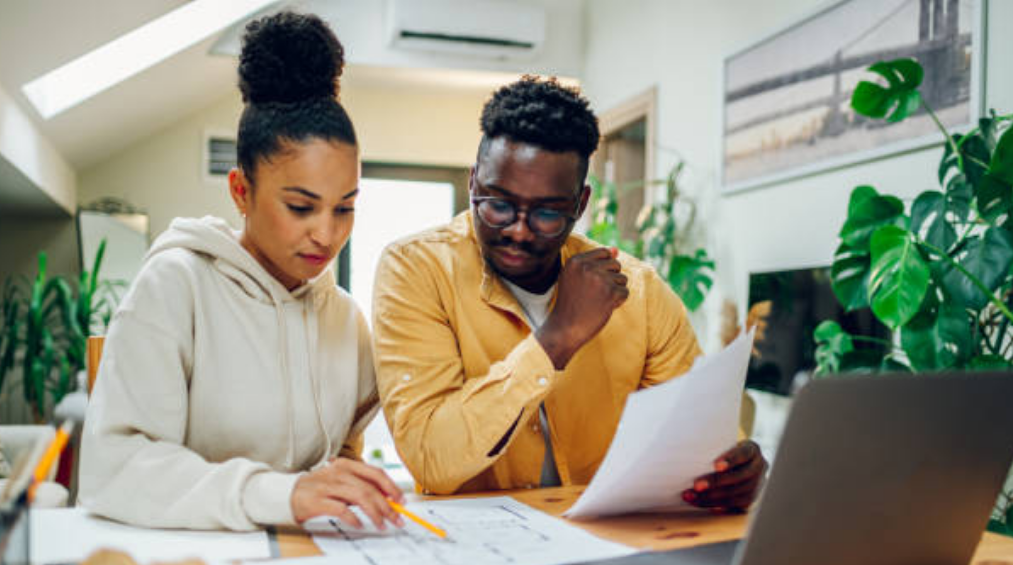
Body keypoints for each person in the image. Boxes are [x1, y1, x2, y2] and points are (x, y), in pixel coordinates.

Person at [372, 76, 766, 511]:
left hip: (603, 537)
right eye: (498, 205)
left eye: (545, 213)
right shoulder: (416, 269)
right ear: (472, 183)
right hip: (473, 549)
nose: (518, 230)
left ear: (579, 205)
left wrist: (734, 466)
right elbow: (432, 459)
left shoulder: (640, 292)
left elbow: (698, 432)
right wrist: (556, 338)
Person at [80, 11, 404, 532]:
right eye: (301, 207)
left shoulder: (344, 317)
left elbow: (344, 449)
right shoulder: (175, 286)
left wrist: (348, 481)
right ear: (240, 191)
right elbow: (113, 469)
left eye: (345, 207)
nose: (327, 234)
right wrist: (281, 493)